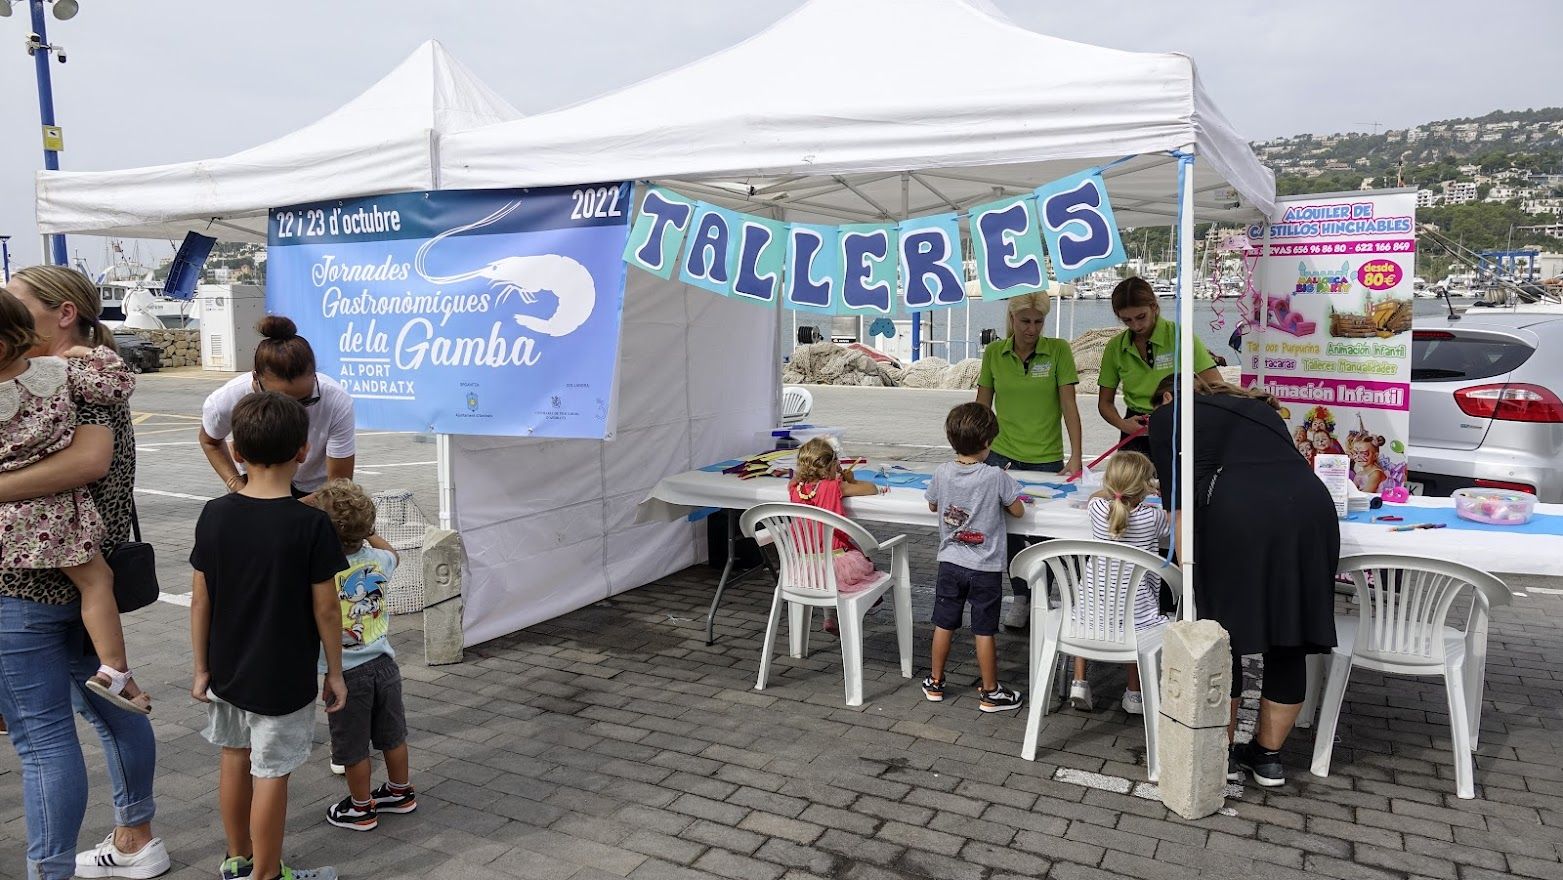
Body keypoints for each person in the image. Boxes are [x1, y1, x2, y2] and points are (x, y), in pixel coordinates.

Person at [0, 265, 168, 880]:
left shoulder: (72, 376)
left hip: (28, 581)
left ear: (63, 311)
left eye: (19, 304)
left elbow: (91, 462)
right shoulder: (74, 375)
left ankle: (56, 868)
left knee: (43, 743)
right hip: (79, 570)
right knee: (109, 706)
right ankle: (135, 836)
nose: (13, 317)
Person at [1148, 376, 1339, 787]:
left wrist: (1189, 572)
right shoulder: (1259, 409)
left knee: (1222, 635)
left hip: (1238, 516)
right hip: (1310, 508)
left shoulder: (1168, 417)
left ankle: (1221, 755)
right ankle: (1267, 758)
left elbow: (1179, 507)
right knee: (1290, 636)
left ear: (1167, 398)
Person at [189, 392, 348, 880]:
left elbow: (201, 600)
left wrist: (201, 668)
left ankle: (239, 860)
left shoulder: (214, 514)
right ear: (304, 451)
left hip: (228, 669)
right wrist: (336, 672)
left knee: (234, 758)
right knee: (272, 770)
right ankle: (267, 874)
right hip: (283, 675)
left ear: (236, 451)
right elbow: (326, 607)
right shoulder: (312, 524)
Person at [0, 290, 150, 715]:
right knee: (95, 582)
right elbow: (115, 385)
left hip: (8, 528)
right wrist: (91, 354)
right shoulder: (54, 373)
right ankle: (115, 669)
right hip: (57, 516)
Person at [310, 479, 418, 832]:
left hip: (344, 673)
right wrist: (370, 533)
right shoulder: (378, 561)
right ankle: (400, 792)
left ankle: (360, 808)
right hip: (385, 664)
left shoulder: (321, 571)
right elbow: (395, 554)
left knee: (354, 746)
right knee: (393, 735)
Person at [976, 290, 1083, 631]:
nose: (1032, 329)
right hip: (1001, 458)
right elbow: (981, 408)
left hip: (1046, 459)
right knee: (1007, 533)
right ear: (1011, 319)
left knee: (1045, 536)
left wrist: (1076, 455)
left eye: (1038, 322)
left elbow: (1069, 406)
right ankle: (1020, 596)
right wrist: (973, 453)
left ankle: (1044, 594)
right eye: (1025, 322)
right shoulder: (994, 353)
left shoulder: (1058, 351)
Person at [921, 402, 1025, 713]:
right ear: (987, 443)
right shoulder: (996, 476)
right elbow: (1018, 509)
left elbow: (932, 505)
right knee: (984, 630)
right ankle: (990, 691)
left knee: (943, 623)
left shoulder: (942, 472)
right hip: (985, 568)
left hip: (951, 563)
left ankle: (935, 682)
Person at [199, 316, 355, 500]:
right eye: (281, 401)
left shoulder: (337, 400)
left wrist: (294, 510)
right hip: (256, 485)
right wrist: (237, 486)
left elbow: (339, 484)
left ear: (315, 376)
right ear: (256, 380)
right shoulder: (226, 399)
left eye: (306, 400)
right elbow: (210, 441)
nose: (295, 412)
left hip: (315, 491)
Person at [1067, 450, 1169, 714]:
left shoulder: (1098, 508)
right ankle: (1134, 693)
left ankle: (1079, 681)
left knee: (1082, 617)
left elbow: (1095, 497)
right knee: (1132, 628)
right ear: (1145, 487)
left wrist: (1111, 491)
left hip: (1093, 606)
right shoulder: (1153, 517)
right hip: (1134, 611)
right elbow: (1169, 524)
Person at [1097, 277, 1222, 457]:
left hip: (1178, 423)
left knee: (1177, 484)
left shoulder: (1180, 336)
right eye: (1127, 320)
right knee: (1129, 484)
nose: (1136, 325)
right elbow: (1105, 402)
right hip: (1135, 428)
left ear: (1154, 307)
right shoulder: (1115, 347)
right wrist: (1124, 425)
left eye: (1141, 317)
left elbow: (1216, 385)